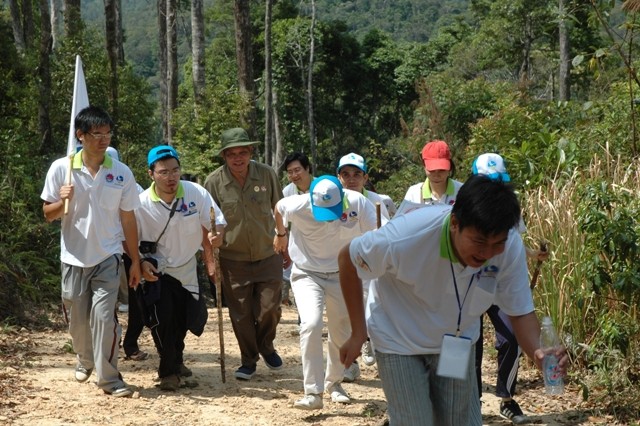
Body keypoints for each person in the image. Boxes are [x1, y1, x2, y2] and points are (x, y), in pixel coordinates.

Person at [338, 174, 569, 426]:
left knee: (458, 421)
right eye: (479, 242)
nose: (488, 252)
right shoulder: (406, 236)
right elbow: (347, 258)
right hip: (399, 338)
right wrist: (358, 331)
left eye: (497, 243)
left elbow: (520, 311)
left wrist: (538, 351)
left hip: (456, 340)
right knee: (415, 421)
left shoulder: (509, 245)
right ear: (456, 223)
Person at [40, 106, 141, 397]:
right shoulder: (63, 169)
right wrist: (62, 202)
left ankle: (109, 378)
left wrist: (134, 260)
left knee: (104, 318)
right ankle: (84, 358)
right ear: (80, 136)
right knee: (77, 322)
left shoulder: (121, 172)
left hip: (107, 257)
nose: (104, 139)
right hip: (73, 257)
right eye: (97, 134)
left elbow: (128, 218)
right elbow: (48, 214)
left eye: (107, 134)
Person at [273, 176, 378, 409]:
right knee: (310, 324)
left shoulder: (358, 202)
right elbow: (278, 208)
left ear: (342, 197)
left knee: (341, 328)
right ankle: (313, 392)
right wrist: (280, 234)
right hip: (307, 272)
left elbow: (379, 230)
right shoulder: (298, 204)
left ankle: (334, 383)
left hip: (344, 274)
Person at [136, 145, 226, 391]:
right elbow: (129, 240)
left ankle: (176, 357)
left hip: (187, 267)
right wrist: (140, 263)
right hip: (158, 271)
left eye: (175, 170)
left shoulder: (195, 193)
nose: (171, 177)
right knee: (164, 319)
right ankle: (168, 372)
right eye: (163, 172)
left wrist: (216, 242)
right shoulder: (141, 204)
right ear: (151, 173)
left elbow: (215, 222)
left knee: (189, 318)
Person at [471, 153, 550, 424]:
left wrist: (532, 255)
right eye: (487, 182)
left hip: (498, 286)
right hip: (466, 291)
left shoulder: (509, 209)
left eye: (499, 182)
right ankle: (471, 399)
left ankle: (506, 398)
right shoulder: (461, 210)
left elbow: (511, 243)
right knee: (469, 342)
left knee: (512, 338)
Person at [204, 127, 284, 381]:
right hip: (232, 259)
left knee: (270, 308)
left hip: (267, 252)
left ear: (250, 152)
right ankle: (248, 360)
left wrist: (284, 239)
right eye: (231, 154)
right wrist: (210, 260)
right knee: (241, 315)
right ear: (224, 157)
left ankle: (266, 346)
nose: (238, 158)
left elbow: (279, 208)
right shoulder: (213, 182)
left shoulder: (266, 174)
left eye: (243, 152)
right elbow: (207, 223)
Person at [336, 152, 389, 373]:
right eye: (346, 174)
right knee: (343, 313)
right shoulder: (333, 199)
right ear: (338, 177)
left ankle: (367, 340)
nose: (351, 179)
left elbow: (387, 231)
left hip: (368, 265)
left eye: (357, 174)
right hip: (341, 265)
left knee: (368, 309)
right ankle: (350, 363)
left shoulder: (377, 201)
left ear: (365, 178)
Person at [105, 146, 149, 362]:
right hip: (105, 252)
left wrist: (136, 256)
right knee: (105, 304)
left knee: (137, 301)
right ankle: (107, 346)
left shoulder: (133, 187)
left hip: (131, 252)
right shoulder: (90, 186)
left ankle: (131, 344)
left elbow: (139, 221)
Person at [281, 152, 314, 307]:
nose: (294, 175)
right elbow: (282, 222)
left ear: (307, 169)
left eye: (297, 170)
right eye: (290, 172)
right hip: (299, 249)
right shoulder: (287, 192)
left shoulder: (322, 188)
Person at [403, 140, 463, 205]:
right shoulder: (414, 194)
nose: (436, 175)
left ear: (449, 167)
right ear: (424, 166)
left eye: (441, 170)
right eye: (432, 170)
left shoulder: (463, 191)